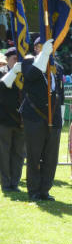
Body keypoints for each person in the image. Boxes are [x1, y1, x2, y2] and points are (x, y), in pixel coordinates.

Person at [20, 39, 64, 201]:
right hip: (34, 116)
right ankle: (33, 190)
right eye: (40, 47)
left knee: (51, 156)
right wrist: (43, 55)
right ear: (36, 48)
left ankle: (45, 190)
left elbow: (60, 92)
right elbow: (31, 75)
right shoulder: (28, 62)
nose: (44, 50)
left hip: (54, 117)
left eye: (47, 48)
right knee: (34, 155)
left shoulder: (56, 67)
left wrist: (61, 113)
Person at [0, 47, 24, 193]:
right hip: (4, 120)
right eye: (14, 58)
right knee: (4, 153)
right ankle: (6, 183)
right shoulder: (2, 73)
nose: (17, 62)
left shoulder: (24, 75)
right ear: (8, 59)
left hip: (21, 121)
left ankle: (15, 182)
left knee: (18, 154)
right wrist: (13, 72)